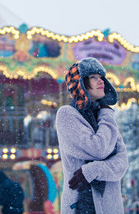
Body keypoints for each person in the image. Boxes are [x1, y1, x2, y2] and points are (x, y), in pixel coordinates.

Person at [56, 57, 129, 213]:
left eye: (101, 77)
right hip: (81, 205)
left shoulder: (103, 118)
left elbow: (122, 164)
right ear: (81, 83)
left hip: (110, 206)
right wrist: (107, 114)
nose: (101, 81)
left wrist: (92, 170)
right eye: (93, 77)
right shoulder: (67, 115)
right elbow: (99, 149)